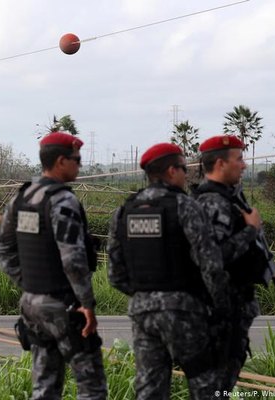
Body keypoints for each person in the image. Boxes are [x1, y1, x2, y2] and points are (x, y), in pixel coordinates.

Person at [108, 143, 230, 400]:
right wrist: (219, 307)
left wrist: (145, 294)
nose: (187, 175)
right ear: (172, 171)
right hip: (184, 310)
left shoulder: (124, 211)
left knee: (150, 387)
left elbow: (114, 274)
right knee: (208, 384)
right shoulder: (185, 206)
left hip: (142, 312)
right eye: (185, 169)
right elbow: (211, 265)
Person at [0, 131, 107, 400]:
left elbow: (1, 247)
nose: (80, 165)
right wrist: (87, 303)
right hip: (63, 304)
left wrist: (30, 283)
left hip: (32, 303)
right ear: (60, 161)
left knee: (44, 385)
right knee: (91, 386)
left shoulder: (22, 198)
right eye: (76, 159)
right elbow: (72, 258)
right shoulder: (62, 200)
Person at [192, 135, 262, 396]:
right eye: (239, 159)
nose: (244, 165)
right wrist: (251, 230)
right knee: (215, 388)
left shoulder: (230, 199)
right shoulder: (212, 203)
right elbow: (213, 258)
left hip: (232, 310)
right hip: (220, 314)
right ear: (220, 164)